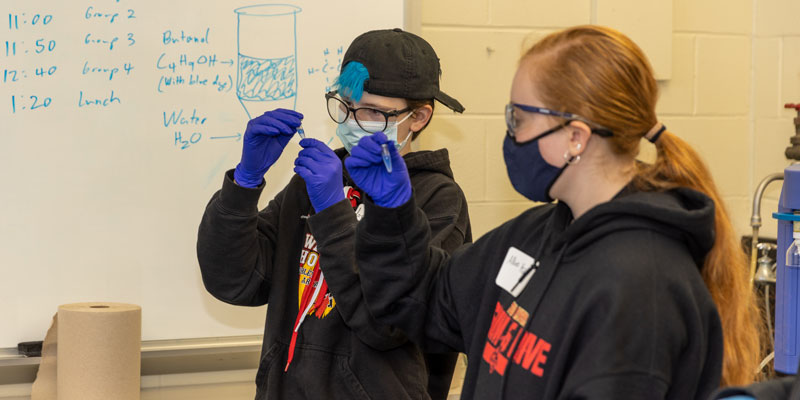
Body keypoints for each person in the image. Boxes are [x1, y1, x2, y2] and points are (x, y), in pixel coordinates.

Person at [342, 25, 761, 399]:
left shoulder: (642, 283)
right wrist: (393, 211)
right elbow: (424, 300)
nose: (510, 134)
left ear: (575, 137)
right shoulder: (536, 233)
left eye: (519, 118)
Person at [196, 28, 471, 400]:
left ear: (419, 117)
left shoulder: (438, 200)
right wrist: (244, 183)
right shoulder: (317, 180)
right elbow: (235, 280)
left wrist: (332, 211)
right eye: (345, 105)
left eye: (373, 112)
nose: (353, 121)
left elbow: (386, 326)